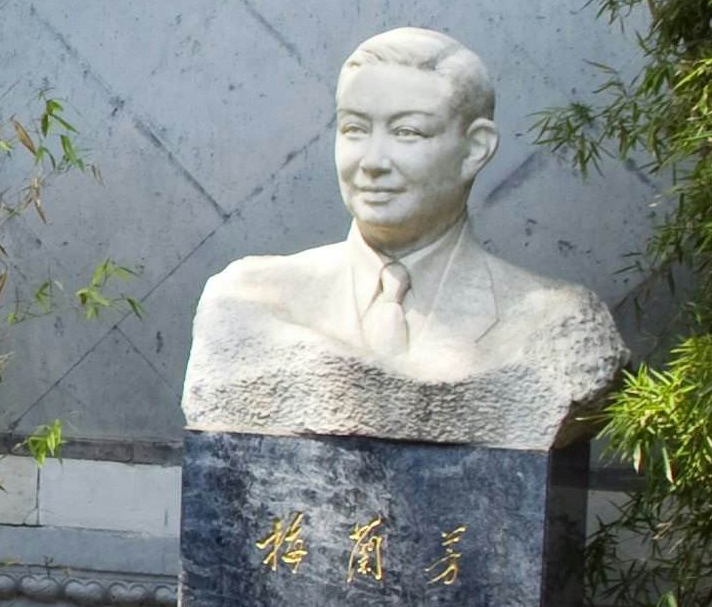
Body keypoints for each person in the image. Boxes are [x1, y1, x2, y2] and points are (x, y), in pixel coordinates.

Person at [183, 27, 624, 446]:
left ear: (475, 149)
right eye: (354, 129)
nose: (372, 161)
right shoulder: (251, 302)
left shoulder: (550, 321)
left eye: (406, 132)